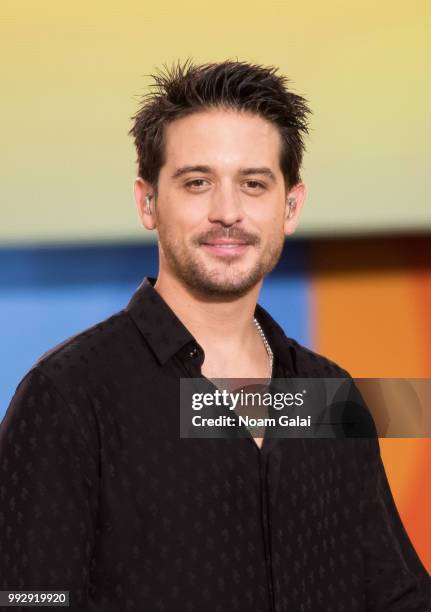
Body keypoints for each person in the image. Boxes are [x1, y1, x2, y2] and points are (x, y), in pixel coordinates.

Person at [1, 60, 430, 611]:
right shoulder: (69, 396)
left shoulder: (327, 395)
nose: (227, 212)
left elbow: (396, 595)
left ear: (291, 206)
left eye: (253, 184)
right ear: (147, 201)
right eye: (197, 182)